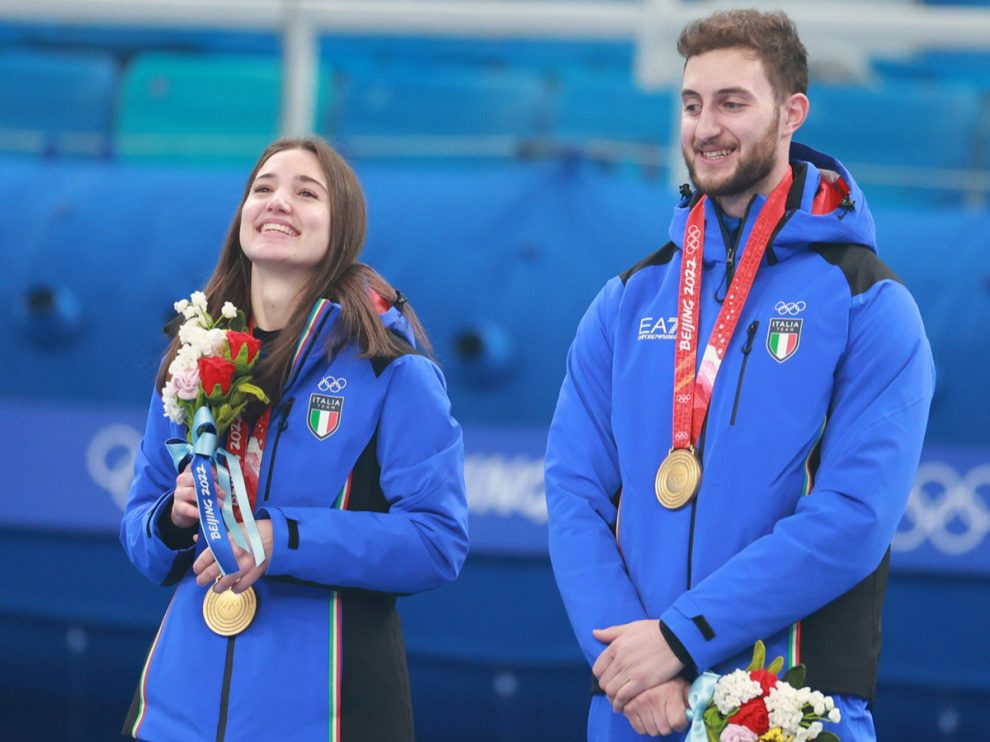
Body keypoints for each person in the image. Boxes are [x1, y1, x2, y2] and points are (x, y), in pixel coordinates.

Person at [545, 9, 934, 740]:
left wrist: (679, 640)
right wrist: (630, 668)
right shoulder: (628, 301)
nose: (706, 127)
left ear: (792, 113)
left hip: (792, 705)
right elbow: (573, 493)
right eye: (692, 104)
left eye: (732, 103)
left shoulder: (869, 303)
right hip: (636, 708)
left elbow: (854, 517)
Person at [120, 136, 469, 741]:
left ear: (342, 228)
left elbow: (437, 542)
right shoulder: (192, 358)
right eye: (263, 188)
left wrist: (282, 539)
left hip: (324, 716)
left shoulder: (391, 370)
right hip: (175, 715)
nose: (278, 201)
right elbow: (140, 534)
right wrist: (173, 520)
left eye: (307, 193)